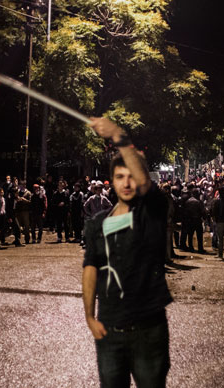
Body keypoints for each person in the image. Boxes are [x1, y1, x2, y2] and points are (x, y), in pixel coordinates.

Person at [82, 117, 172, 388]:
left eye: (131, 176)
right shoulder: (97, 223)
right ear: (111, 182)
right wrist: (89, 316)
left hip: (148, 330)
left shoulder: (152, 211)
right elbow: (90, 268)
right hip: (110, 331)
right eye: (120, 177)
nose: (127, 183)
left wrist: (118, 136)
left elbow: (145, 184)